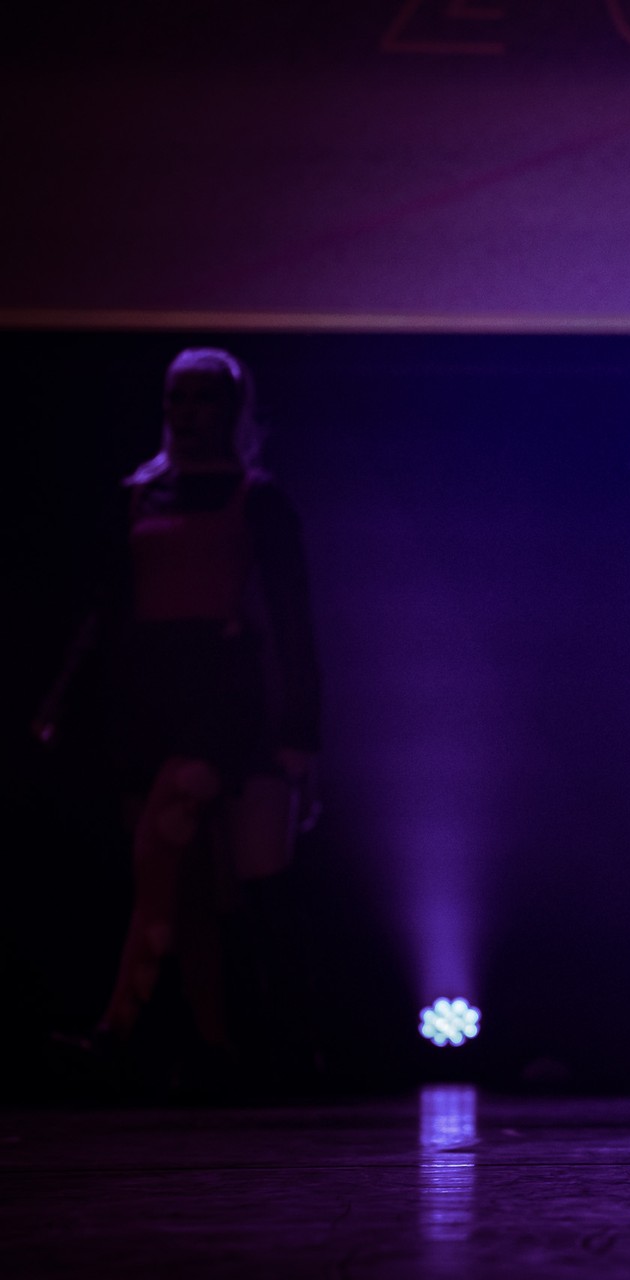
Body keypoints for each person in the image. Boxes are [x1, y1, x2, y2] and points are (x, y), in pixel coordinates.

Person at [37, 348, 321, 1075]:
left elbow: (292, 616)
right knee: (182, 882)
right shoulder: (138, 496)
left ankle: (118, 1028)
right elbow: (102, 613)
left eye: (203, 398)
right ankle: (215, 1043)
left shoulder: (256, 497)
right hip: (148, 700)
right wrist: (63, 703)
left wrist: (300, 731)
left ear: (231, 409)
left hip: (220, 699)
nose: (187, 412)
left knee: (190, 859)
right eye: (176, 397)